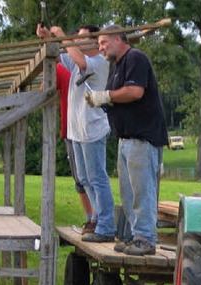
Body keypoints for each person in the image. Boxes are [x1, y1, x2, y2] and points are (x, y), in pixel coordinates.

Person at [85, 26, 168, 256]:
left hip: (142, 137)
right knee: (128, 193)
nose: (101, 48)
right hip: (126, 138)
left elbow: (134, 92)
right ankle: (134, 236)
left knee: (142, 191)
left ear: (118, 39)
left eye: (104, 42)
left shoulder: (135, 58)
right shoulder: (117, 66)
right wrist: (102, 101)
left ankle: (146, 238)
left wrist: (107, 96)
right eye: (99, 44)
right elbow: (119, 97)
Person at [37, 23, 116, 242]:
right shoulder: (77, 60)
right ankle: (99, 219)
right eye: (76, 38)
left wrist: (61, 34)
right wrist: (47, 38)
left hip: (93, 129)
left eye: (82, 38)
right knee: (84, 178)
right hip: (77, 131)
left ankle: (107, 226)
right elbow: (61, 54)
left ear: (94, 42)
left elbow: (79, 60)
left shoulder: (98, 63)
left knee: (97, 177)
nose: (78, 41)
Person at [56, 61, 96, 234]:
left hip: (73, 128)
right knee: (89, 176)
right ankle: (95, 218)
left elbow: (44, 89)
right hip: (84, 127)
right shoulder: (82, 66)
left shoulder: (59, 68)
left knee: (83, 178)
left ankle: (93, 218)